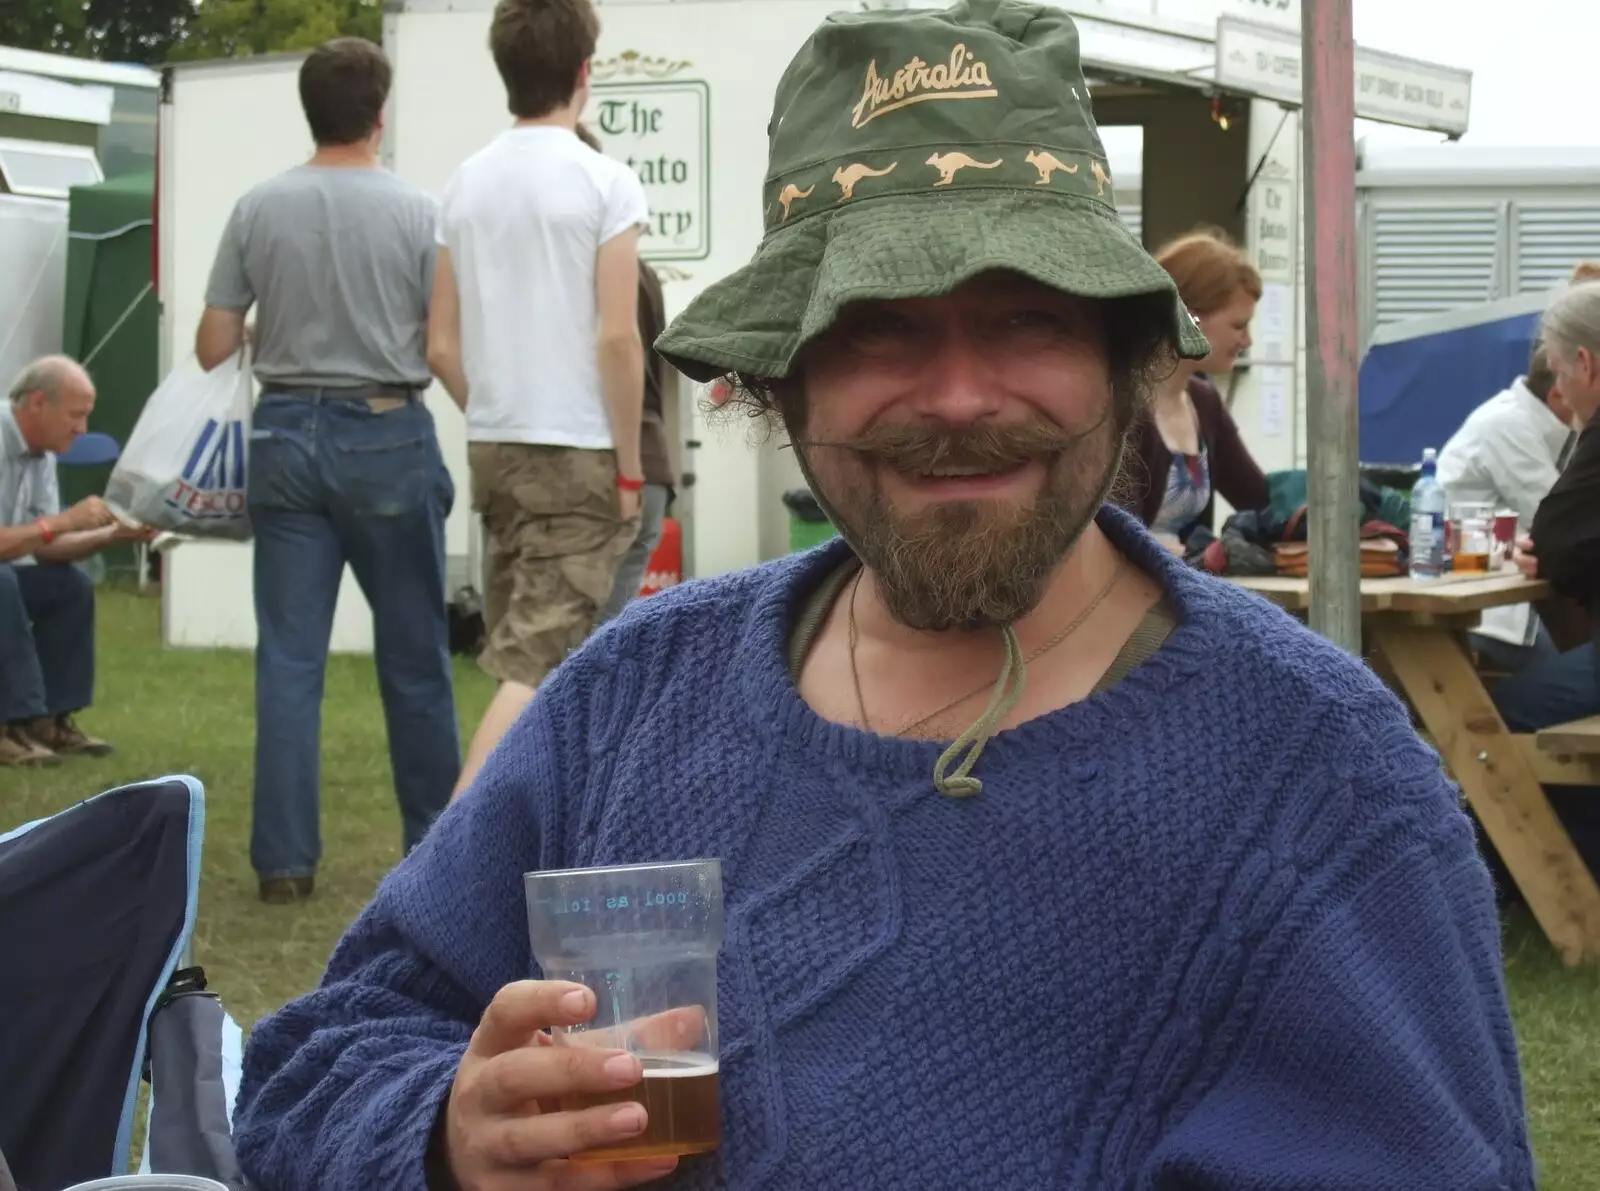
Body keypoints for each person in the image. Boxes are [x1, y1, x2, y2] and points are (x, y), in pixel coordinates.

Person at [230, 4, 1534, 1189]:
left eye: (1024, 317)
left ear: (1124, 356)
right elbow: (313, 1063)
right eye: (877, 326)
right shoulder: (636, 694)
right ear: (781, 375)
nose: (957, 396)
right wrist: (445, 1131)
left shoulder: (1319, 778)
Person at [195, 37, 460, 904]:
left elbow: (213, 343)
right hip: (386, 429)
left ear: (309, 110)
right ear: (380, 113)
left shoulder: (257, 206)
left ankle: (284, 864)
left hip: (283, 435)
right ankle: (436, 848)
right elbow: (439, 340)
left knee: (290, 659)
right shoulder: (421, 212)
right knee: (416, 657)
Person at [428, 0, 647, 799]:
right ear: (585, 74)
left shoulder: (464, 182)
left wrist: (492, 409)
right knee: (535, 663)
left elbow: (441, 348)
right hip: (578, 446)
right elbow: (618, 340)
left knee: (520, 653)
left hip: (493, 446)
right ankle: (445, 862)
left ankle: (531, 836)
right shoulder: (605, 180)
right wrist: (628, 468)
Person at [0, 357, 152, 767]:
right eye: (76, 415)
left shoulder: (42, 454)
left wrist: (111, 535)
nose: (82, 429)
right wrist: (63, 520)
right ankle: (7, 724)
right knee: (2, 583)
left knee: (70, 586)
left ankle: (49, 720)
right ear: (36, 403)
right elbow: (46, 532)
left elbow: (46, 547)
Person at [572, 123, 677, 623]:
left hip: (614, 464)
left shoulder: (595, 272)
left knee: (576, 647)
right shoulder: (643, 272)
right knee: (601, 633)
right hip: (651, 462)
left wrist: (626, 472)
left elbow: (617, 352)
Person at [1118, 228, 1269, 548]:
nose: (1248, 341)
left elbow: (1260, 502)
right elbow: (1110, 532)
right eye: (1239, 325)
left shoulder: (1204, 403)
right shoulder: (1117, 406)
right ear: (1190, 316)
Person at [1439, 340, 1576, 672]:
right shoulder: (1508, 425)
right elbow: (1562, 522)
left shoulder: (1540, 423)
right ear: (1558, 394)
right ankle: (1502, 716)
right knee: (1588, 670)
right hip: (1491, 614)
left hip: (1514, 599)